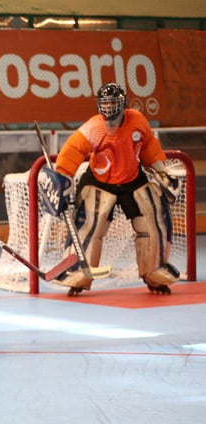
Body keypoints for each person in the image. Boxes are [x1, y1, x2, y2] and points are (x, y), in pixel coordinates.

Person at [50, 82, 178, 295]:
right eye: (105, 103)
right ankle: (76, 273)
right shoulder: (93, 127)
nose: (108, 107)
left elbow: (148, 146)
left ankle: (155, 271)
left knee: (153, 219)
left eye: (112, 103)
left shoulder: (137, 120)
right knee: (88, 225)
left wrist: (161, 170)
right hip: (99, 181)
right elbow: (72, 151)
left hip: (132, 178)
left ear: (123, 103)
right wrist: (62, 179)